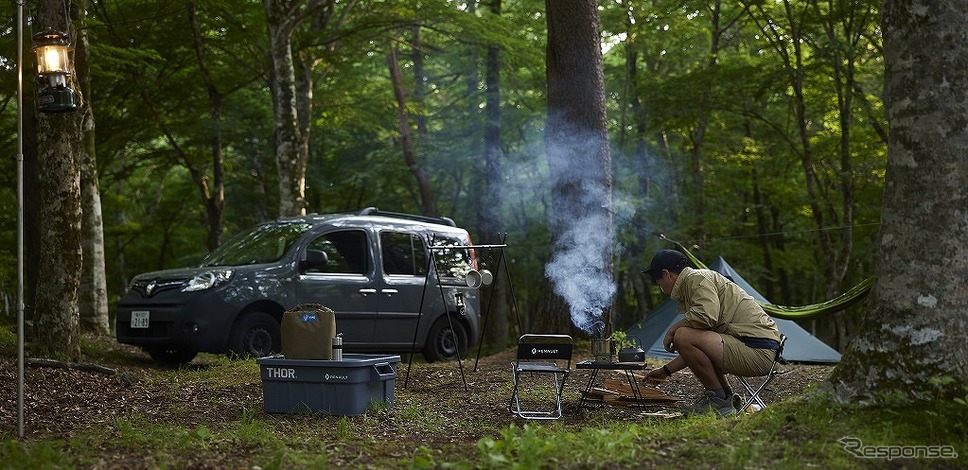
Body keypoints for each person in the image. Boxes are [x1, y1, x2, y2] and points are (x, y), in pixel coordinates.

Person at [642, 249, 781, 417]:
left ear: (666, 274)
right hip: (756, 348)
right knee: (685, 335)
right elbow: (696, 351)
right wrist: (665, 371)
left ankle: (717, 400)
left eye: (658, 281)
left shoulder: (696, 279)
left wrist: (672, 330)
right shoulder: (696, 281)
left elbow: (706, 317)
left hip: (757, 350)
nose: (660, 287)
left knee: (682, 334)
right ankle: (725, 399)